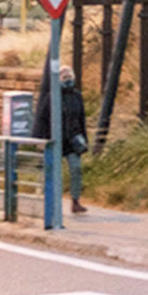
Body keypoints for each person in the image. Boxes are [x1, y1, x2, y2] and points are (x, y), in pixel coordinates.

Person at [31, 67, 89, 215]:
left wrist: (84, 140)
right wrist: (40, 140)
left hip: (73, 140)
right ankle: (47, 201)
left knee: (76, 169)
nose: (68, 80)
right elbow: (42, 119)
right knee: (52, 172)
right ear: (58, 80)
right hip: (55, 140)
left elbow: (81, 119)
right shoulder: (52, 97)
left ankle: (75, 201)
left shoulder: (77, 96)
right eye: (64, 78)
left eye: (70, 77)